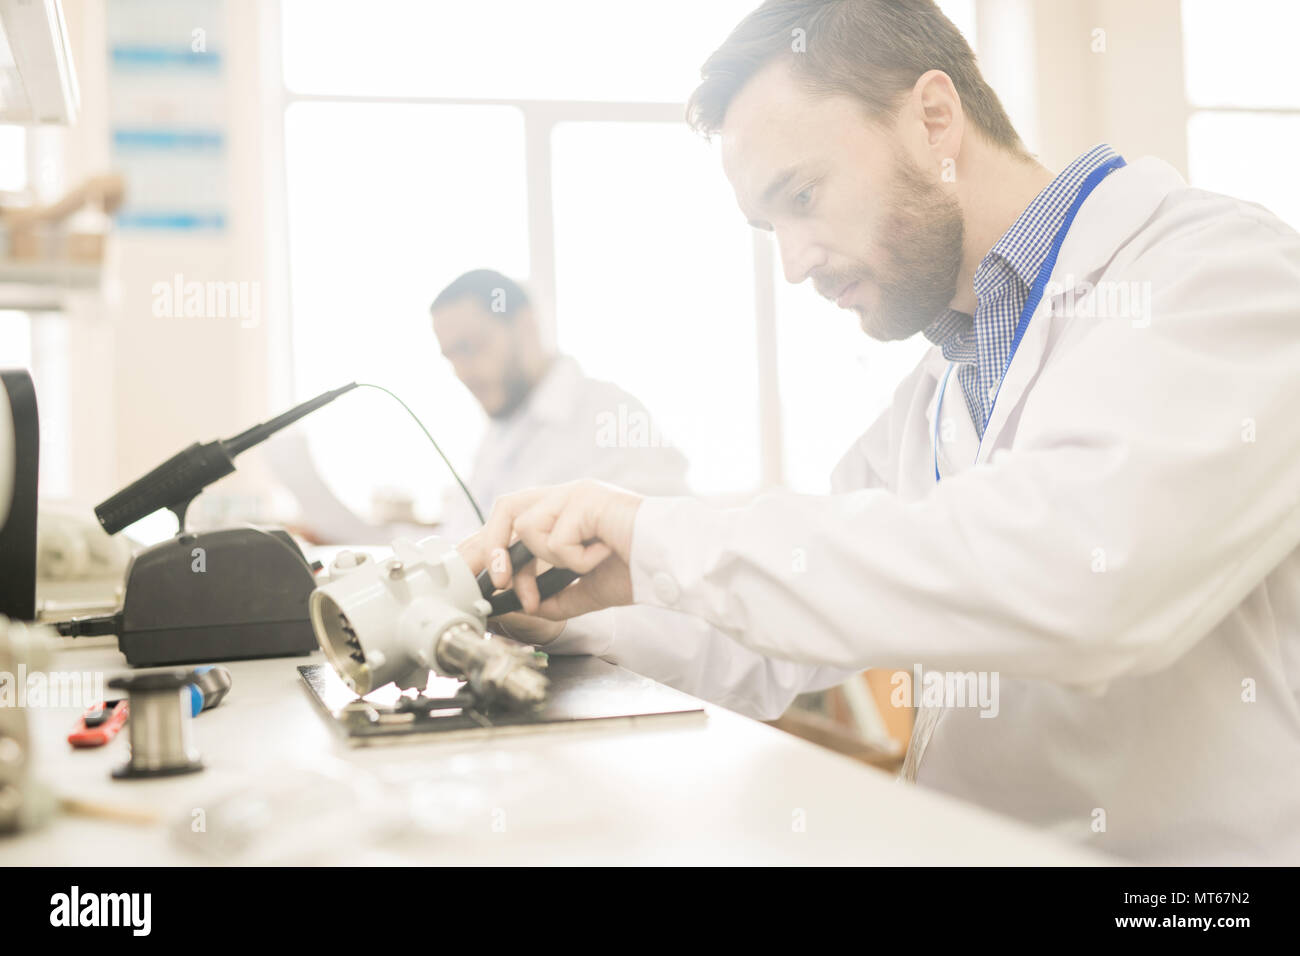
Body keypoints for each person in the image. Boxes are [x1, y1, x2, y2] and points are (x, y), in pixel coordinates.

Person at [457, 0, 1300, 864]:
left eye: (804, 196)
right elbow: (772, 634)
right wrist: (577, 608)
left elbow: (1083, 578)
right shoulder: (943, 384)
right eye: (768, 226)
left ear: (934, 117)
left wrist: (655, 530)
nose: (792, 264)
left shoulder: (1222, 276)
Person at [431, 269, 689, 541]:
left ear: (524, 325)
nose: (462, 372)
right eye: (451, 358)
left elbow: (668, 537)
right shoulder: (497, 435)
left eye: (471, 347)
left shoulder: (612, 414)